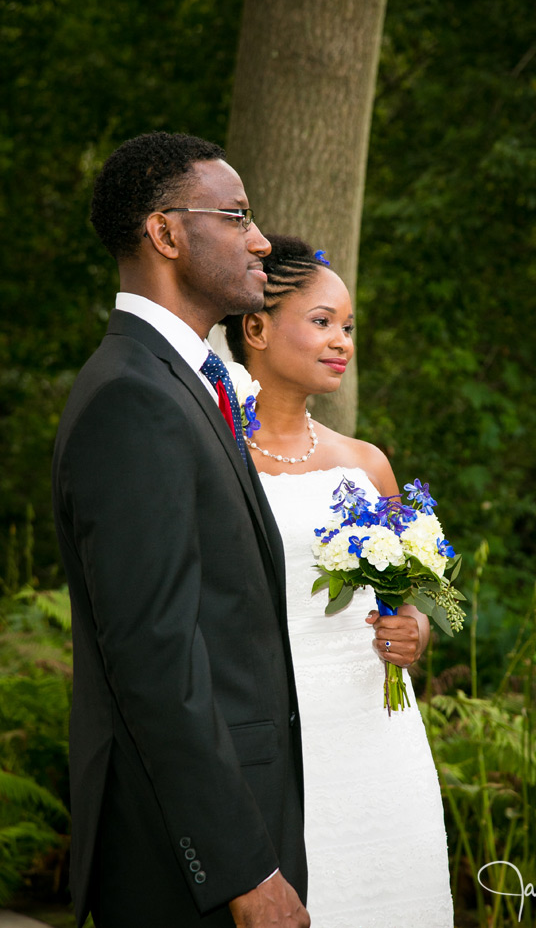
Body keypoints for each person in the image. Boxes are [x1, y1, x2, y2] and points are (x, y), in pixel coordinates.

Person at [51, 134, 309, 928]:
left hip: (230, 816)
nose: (261, 239)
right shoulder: (134, 399)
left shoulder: (182, 382)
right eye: (236, 216)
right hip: (182, 857)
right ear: (165, 235)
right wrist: (242, 869)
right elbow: (155, 660)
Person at [222, 235, 454, 928]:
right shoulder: (219, 462)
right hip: (280, 744)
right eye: (322, 321)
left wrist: (412, 632)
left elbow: (407, 610)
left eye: (348, 326)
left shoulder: (366, 465)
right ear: (256, 328)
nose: (342, 341)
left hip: (379, 737)